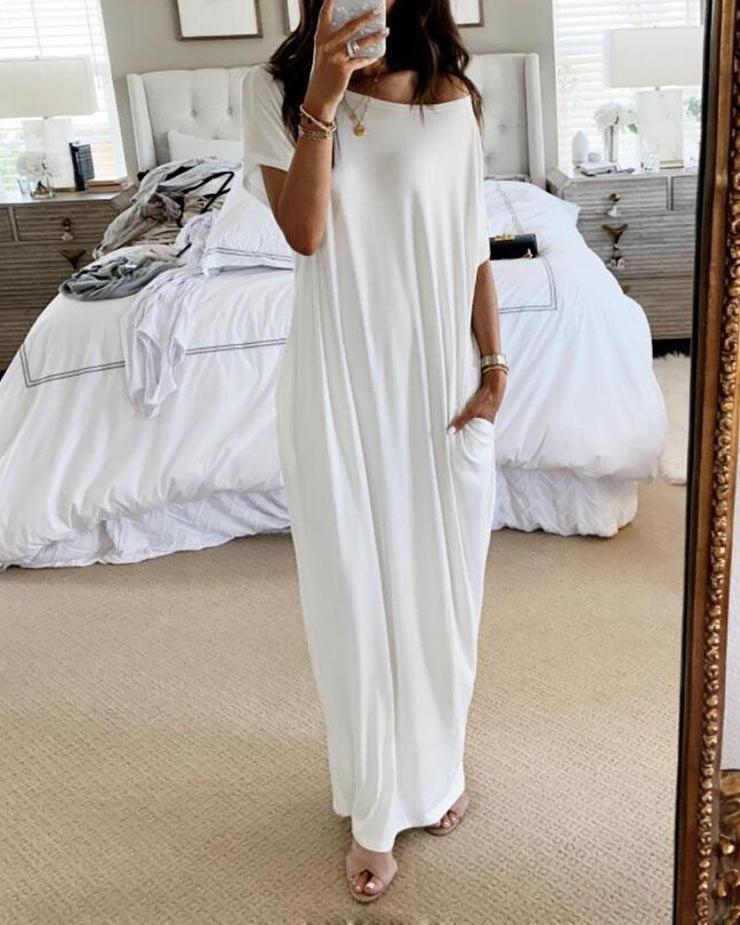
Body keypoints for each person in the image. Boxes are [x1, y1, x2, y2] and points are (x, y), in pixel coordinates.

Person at [242, 0, 507, 903]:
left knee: (443, 593)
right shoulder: (274, 89)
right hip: (341, 379)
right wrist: (323, 92)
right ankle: (373, 807)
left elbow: (472, 245)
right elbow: (305, 233)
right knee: (355, 595)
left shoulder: (452, 93)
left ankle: (435, 769)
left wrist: (495, 365)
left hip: (440, 384)